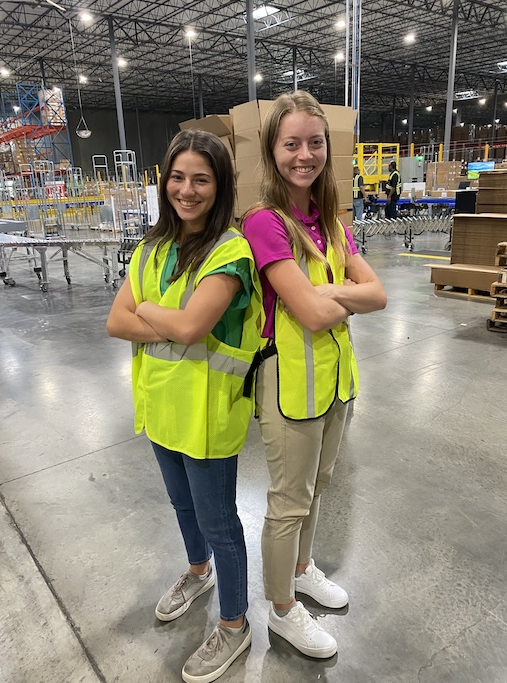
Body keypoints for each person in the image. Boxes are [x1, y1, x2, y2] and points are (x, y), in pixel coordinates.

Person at [106, 129, 262, 683]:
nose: (187, 190)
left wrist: (145, 307)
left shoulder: (230, 250)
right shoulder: (151, 248)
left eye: (201, 179)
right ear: (163, 178)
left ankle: (236, 625)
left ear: (219, 187)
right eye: (178, 176)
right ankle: (198, 572)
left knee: (221, 523)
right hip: (160, 408)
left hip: (208, 412)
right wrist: (153, 316)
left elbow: (194, 325)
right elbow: (113, 322)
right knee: (183, 509)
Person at [242, 91, 387, 659]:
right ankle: (281, 610)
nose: (305, 155)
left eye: (315, 142)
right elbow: (310, 312)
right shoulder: (265, 223)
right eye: (291, 144)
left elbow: (378, 294)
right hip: (288, 386)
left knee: (319, 487)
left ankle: (302, 570)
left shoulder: (331, 220)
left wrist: (330, 292)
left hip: (334, 382)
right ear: (273, 151)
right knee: (287, 500)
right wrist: (337, 295)